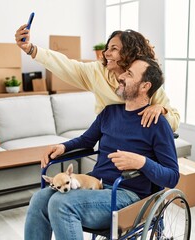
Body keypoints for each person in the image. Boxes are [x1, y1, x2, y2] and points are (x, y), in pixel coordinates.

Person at [24, 57, 179, 240]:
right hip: (95, 184)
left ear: (145, 86)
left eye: (129, 74)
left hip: (127, 195)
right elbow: (86, 140)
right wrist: (62, 146)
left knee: (61, 203)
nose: (121, 76)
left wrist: (141, 162)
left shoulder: (157, 123)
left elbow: (172, 176)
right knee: (39, 200)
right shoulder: (109, 112)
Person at [15, 26, 180, 132]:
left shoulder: (145, 81)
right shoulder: (97, 72)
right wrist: (30, 49)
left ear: (129, 53)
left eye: (113, 49)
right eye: (107, 48)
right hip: (111, 139)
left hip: (140, 143)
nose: (106, 53)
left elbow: (174, 121)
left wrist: (161, 109)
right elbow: (65, 65)